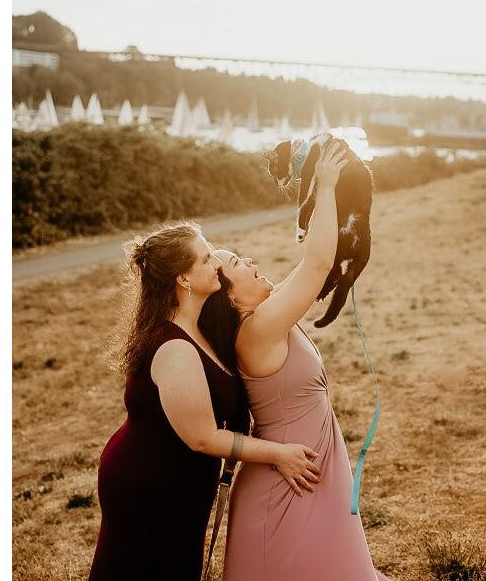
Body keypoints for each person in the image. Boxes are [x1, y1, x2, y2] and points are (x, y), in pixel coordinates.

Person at [88, 222, 322, 581]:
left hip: (180, 480)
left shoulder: (201, 326)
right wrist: (279, 453)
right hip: (148, 483)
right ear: (183, 279)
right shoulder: (175, 349)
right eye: (206, 258)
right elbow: (202, 437)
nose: (217, 263)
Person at [207, 143, 391, 581]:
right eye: (238, 264)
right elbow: (317, 263)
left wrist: (328, 196)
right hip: (286, 487)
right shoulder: (257, 330)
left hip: (308, 473)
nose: (251, 262)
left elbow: (314, 263)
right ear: (227, 296)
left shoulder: (266, 317)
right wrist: (324, 185)